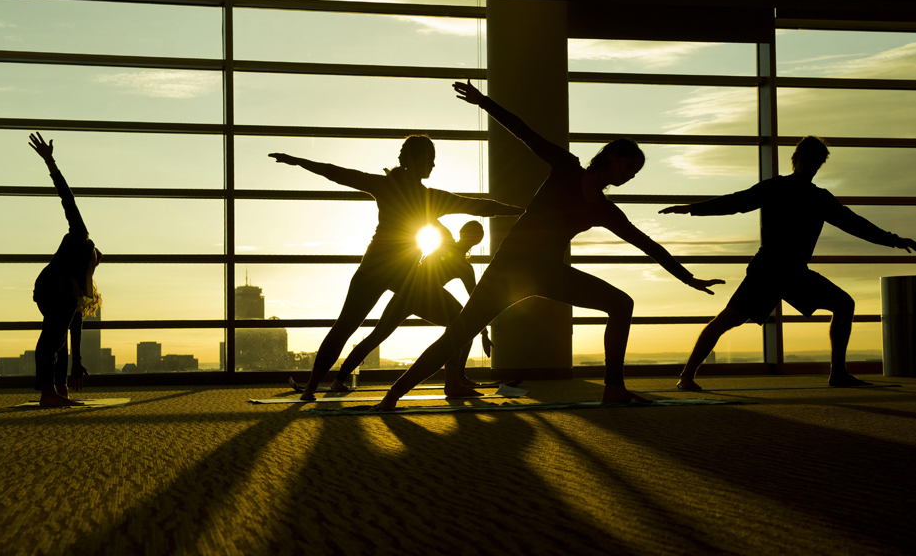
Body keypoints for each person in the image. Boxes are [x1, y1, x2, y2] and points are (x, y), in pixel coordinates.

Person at [372, 81, 724, 410]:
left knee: (621, 304)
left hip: (547, 272)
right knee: (458, 334)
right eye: (630, 166)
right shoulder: (567, 168)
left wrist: (688, 278)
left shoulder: (604, 209)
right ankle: (392, 396)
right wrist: (483, 102)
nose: (631, 174)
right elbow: (524, 132)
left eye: (636, 171)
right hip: (509, 268)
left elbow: (647, 244)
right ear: (612, 156)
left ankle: (614, 389)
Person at [269, 135, 522, 401]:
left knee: (346, 327)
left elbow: (480, 206)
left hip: (385, 270)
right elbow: (338, 173)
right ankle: (451, 383)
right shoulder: (426, 197)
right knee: (452, 320)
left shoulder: (395, 188)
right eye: (430, 160)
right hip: (396, 273)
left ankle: (311, 388)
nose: (433, 165)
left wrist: (520, 211)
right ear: (415, 159)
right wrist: (523, 212)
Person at [661, 136, 916, 390]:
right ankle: (686, 376)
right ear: (795, 159)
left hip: (794, 272)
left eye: (818, 161)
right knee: (727, 320)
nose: (813, 165)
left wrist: (893, 240)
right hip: (769, 270)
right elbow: (736, 202)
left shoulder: (819, 197)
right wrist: (693, 208)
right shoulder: (776, 187)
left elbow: (854, 224)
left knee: (844, 304)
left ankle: (839, 373)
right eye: (809, 159)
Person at [316, 220, 494, 395]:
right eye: (472, 233)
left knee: (377, 336)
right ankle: (456, 380)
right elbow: (429, 216)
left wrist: (484, 333)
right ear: (465, 234)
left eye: (476, 235)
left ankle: (457, 379)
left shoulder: (463, 265)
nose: (472, 237)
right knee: (458, 325)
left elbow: (474, 302)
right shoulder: (456, 255)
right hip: (415, 295)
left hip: (408, 296)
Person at [30, 133, 103, 407]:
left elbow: (76, 325)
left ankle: (58, 388)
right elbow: (67, 199)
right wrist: (50, 163)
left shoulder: (80, 284)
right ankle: (48, 392)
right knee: (52, 340)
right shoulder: (81, 238)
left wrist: (77, 363)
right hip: (52, 286)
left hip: (44, 287)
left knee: (57, 339)